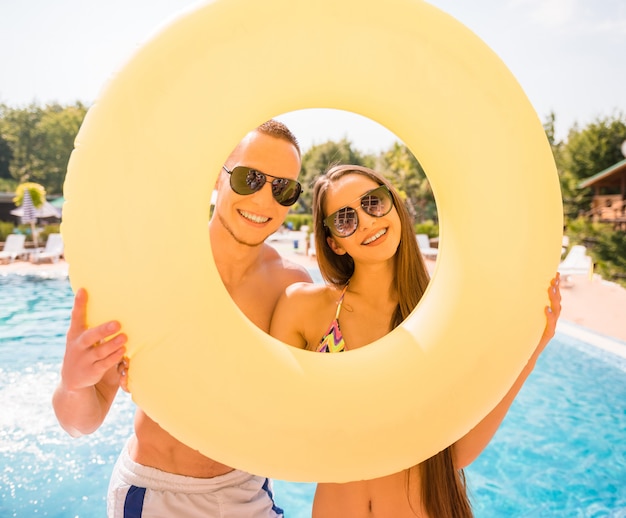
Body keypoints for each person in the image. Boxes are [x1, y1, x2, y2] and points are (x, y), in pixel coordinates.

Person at [52, 120, 312, 517]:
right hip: (158, 495)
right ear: (216, 177)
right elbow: (80, 422)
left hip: (248, 491)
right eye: (250, 178)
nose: (264, 200)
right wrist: (72, 384)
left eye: (283, 189)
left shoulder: (290, 286)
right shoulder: (151, 271)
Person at [269, 164, 561, 518]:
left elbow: (457, 451)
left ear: (394, 204)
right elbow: (275, 421)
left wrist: (532, 350)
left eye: (373, 203)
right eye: (345, 219)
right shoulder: (305, 309)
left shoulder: (440, 315)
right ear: (334, 242)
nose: (367, 221)